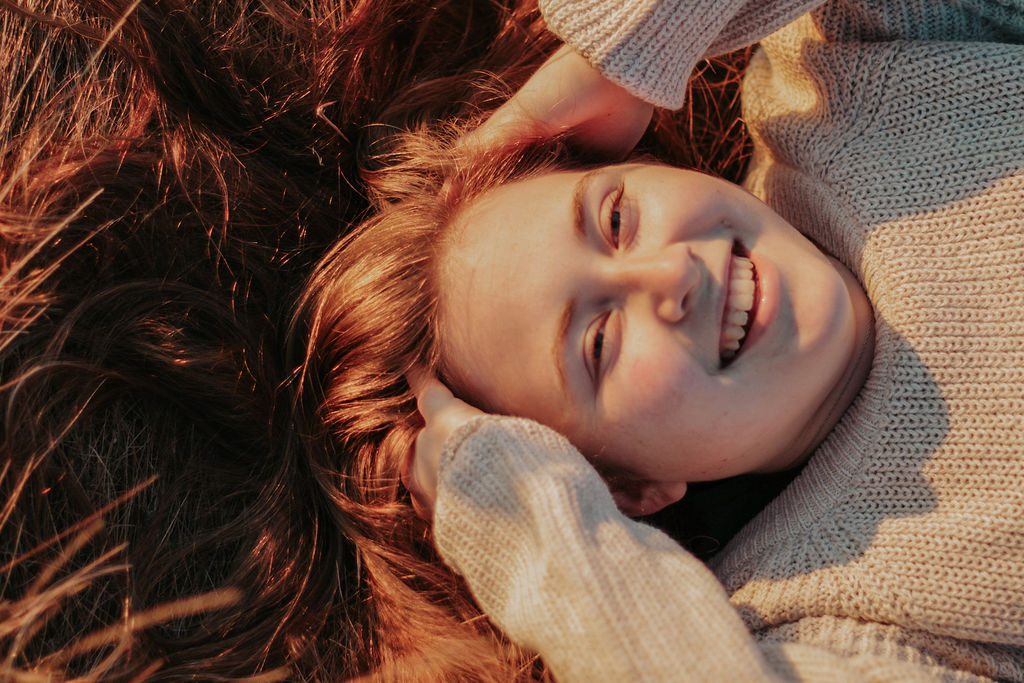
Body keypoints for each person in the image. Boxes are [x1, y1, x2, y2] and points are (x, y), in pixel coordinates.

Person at [296, 0, 1024, 679]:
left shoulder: (854, 83)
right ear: (624, 489)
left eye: (616, 219)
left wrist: (627, 47)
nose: (672, 274)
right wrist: (527, 521)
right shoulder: (827, 608)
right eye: (600, 343)